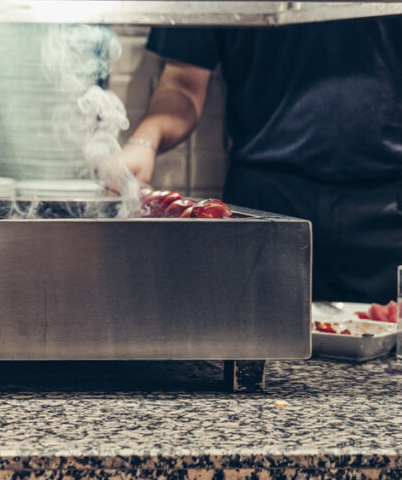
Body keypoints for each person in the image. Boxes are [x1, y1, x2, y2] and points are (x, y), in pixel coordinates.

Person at [122, 18, 402, 303]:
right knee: (251, 330)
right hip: (265, 204)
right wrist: (144, 143)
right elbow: (182, 84)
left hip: (388, 206)